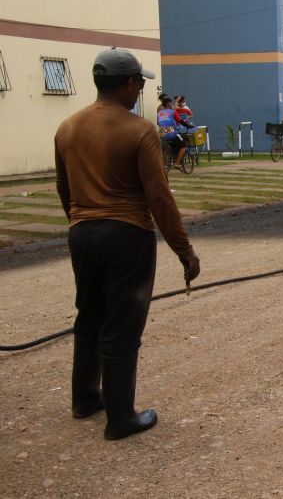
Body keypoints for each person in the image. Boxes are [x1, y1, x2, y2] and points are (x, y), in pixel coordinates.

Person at [54, 47, 201, 441]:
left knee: (89, 315)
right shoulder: (139, 130)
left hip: (82, 233)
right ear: (130, 84)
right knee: (122, 323)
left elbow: (63, 189)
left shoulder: (67, 127)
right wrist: (184, 251)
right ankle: (121, 418)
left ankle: (85, 399)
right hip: (127, 234)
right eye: (139, 82)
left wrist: (83, 225)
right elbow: (159, 197)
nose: (140, 89)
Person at [157, 97, 193, 170]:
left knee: (173, 143)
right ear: (168, 104)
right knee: (184, 146)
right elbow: (181, 121)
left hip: (161, 134)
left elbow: (158, 123)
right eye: (171, 103)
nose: (172, 105)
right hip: (171, 133)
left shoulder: (159, 113)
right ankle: (177, 163)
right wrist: (189, 126)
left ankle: (170, 158)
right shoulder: (173, 112)